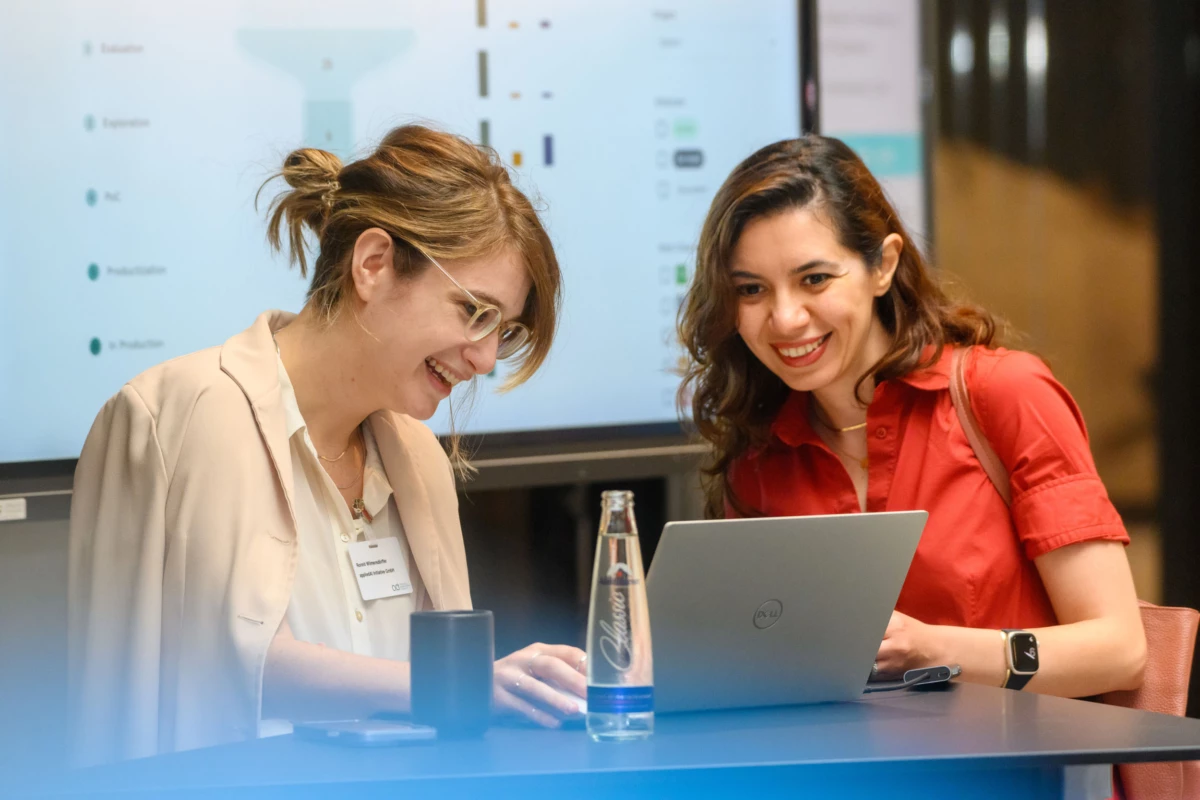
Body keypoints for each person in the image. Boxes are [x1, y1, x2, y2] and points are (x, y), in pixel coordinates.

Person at [68, 125, 586, 767]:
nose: (484, 359)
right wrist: (470, 683)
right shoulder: (195, 407)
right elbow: (231, 665)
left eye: (502, 332)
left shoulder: (418, 457)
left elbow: (443, 702)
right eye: (474, 312)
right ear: (372, 264)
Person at [678, 135, 1146, 698]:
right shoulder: (759, 455)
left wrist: (938, 650)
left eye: (814, 279)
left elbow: (1120, 650)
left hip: (1018, 775)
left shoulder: (1004, 393)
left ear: (883, 265)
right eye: (751, 290)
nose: (784, 318)